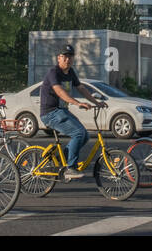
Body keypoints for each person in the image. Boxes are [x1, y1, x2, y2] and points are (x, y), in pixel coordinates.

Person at [38, 44, 104, 180]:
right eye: (64, 57)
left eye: (70, 57)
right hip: (50, 113)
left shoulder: (71, 72)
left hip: (61, 111)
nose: (67, 59)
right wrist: (78, 103)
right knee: (78, 133)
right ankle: (70, 168)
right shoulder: (53, 72)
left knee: (84, 135)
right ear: (59, 58)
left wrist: (96, 102)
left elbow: (81, 88)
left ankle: (60, 162)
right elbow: (60, 92)